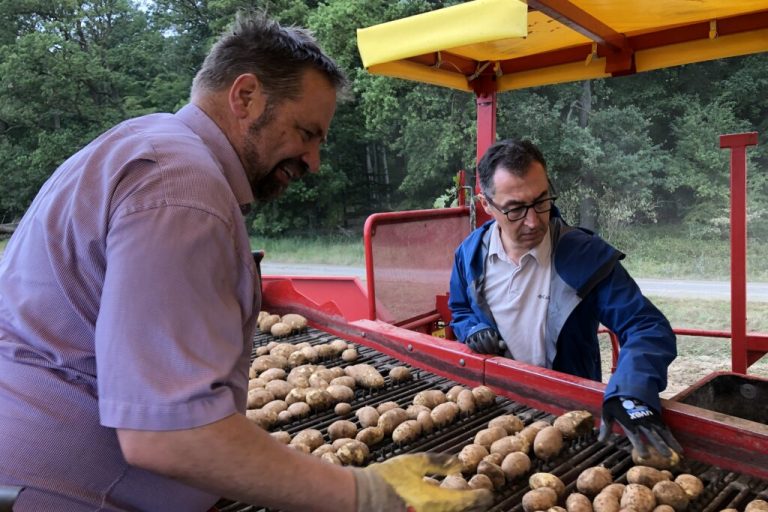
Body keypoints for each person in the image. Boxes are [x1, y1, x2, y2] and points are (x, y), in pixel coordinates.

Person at [0, 12, 492, 512]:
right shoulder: (183, 190)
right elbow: (167, 434)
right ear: (246, 97)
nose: (314, 161)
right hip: (70, 492)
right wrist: (365, 493)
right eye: (306, 133)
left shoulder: (145, 142)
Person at [448, 138, 683, 460]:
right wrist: (472, 328)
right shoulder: (469, 255)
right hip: (496, 403)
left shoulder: (585, 255)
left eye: (541, 201)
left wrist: (632, 390)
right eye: (515, 209)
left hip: (570, 412)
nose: (533, 221)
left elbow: (645, 326)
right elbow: (459, 309)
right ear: (486, 204)